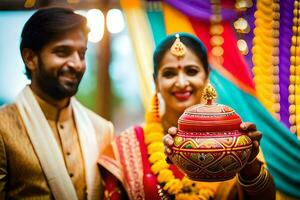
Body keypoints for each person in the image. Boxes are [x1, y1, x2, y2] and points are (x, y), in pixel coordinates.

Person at [99, 33, 275, 199]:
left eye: (191, 71)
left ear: (206, 77)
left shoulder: (234, 139)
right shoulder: (127, 146)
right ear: (156, 82)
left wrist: (249, 164)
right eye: (169, 74)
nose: (182, 83)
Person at [0, 7, 114, 199]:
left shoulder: (101, 129)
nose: (76, 64)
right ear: (30, 58)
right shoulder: (3, 129)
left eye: (82, 54)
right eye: (62, 52)